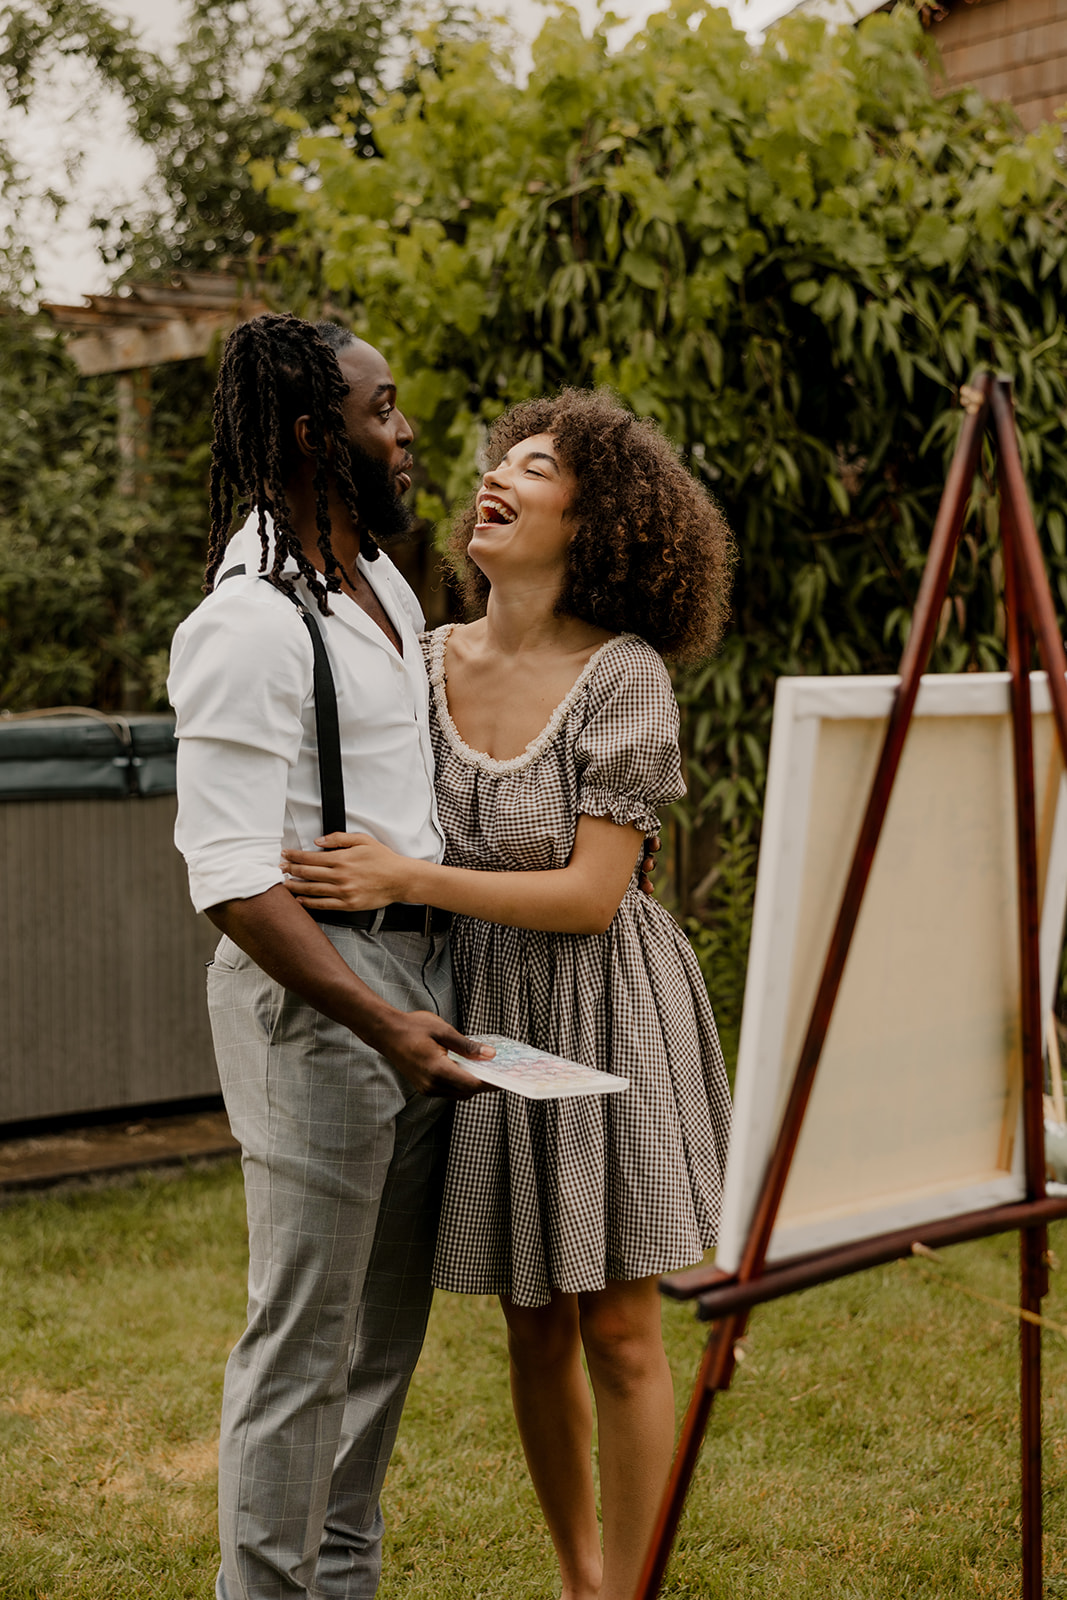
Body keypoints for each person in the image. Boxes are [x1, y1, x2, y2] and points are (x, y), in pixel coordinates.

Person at [281, 388, 735, 1600]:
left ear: (594, 523)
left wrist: (407, 873)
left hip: (604, 1006)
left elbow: (593, 895)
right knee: (531, 1319)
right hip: (477, 1008)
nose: (498, 476)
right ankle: (581, 1580)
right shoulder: (418, 659)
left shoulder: (623, 675)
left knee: (622, 1327)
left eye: (535, 467)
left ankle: (629, 1591)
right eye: (500, 459)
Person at [167, 311, 493, 1600]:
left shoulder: (382, 583)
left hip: (418, 980)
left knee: (379, 1345)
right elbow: (232, 875)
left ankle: (337, 1585)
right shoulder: (245, 622)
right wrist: (381, 1018)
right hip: (322, 1003)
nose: (404, 432)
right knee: (302, 1343)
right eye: (381, 409)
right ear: (312, 434)